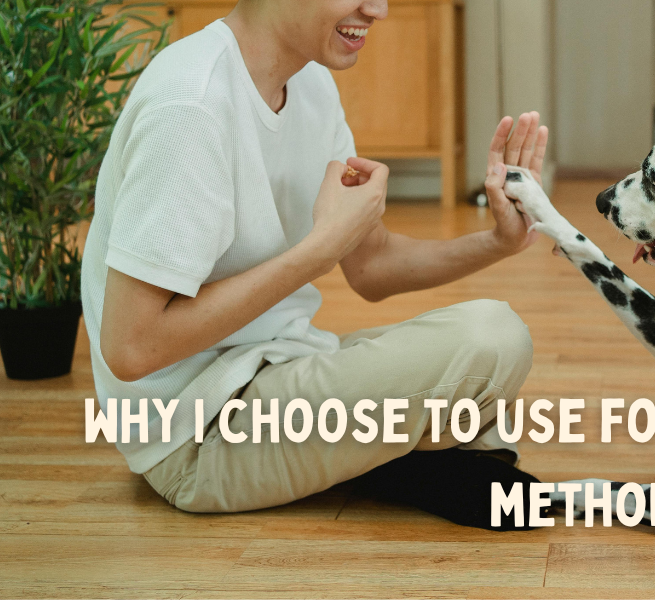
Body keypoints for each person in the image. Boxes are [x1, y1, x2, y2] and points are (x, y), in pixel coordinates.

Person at [81, 0, 550, 529]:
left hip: (278, 367)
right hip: (196, 433)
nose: (378, 9)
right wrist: (319, 250)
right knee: (491, 340)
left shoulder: (310, 84)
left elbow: (371, 266)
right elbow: (131, 347)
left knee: (486, 363)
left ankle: (372, 460)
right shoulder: (192, 104)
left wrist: (498, 242)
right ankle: (390, 460)